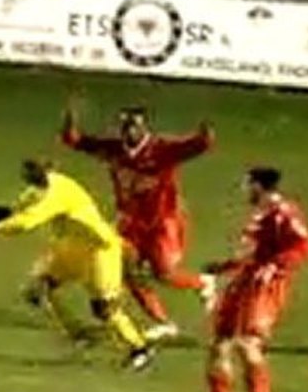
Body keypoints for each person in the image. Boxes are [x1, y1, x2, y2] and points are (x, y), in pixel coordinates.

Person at [0, 159, 155, 371]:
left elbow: (25, 222)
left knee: (104, 309)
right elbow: (20, 210)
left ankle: (140, 348)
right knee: (36, 290)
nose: (37, 178)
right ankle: (78, 335)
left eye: (40, 173)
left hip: (100, 249)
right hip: (72, 246)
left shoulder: (58, 192)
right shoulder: (36, 192)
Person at [61, 105, 214, 341]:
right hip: (130, 223)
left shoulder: (162, 149)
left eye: (135, 126)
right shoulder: (113, 148)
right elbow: (75, 141)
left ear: (144, 128)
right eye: (126, 127)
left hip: (163, 220)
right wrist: (70, 121)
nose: (130, 131)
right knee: (129, 272)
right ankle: (164, 323)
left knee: (163, 273)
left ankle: (202, 282)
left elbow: (199, 145)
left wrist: (205, 131)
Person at [192, 166, 308, 392]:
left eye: (248, 184)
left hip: (265, 284)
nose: (245, 189)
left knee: (249, 342)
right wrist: (223, 267)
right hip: (243, 280)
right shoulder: (260, 213)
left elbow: (302, 245)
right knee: (220, 342)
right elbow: (251, 252)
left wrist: (276, 267)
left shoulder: (284, 212)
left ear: (259, 185)